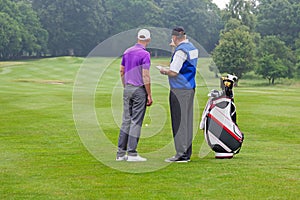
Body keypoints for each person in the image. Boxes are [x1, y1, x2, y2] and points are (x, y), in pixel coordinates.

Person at [159, 27, 198, 163]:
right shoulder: (192, 48)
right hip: (190, 87)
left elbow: (174, 71)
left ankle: (180, 154)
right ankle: (187, 152)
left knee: (179, 121)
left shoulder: (180, 51)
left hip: (179, 89)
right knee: (187, 121)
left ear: (174, 38)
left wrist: (164, 71)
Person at [116, 29, 153, 162]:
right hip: (139, 90)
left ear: (138, 38)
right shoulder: (145, 54)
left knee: (126, 120)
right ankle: (132, 153)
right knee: (136, 121)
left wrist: (125, 86)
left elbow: (121, 71)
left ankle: (120, 154)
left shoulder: (127, 52)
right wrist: (149, 94)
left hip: (128, 88)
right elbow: (145, 75)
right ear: (148, 40)